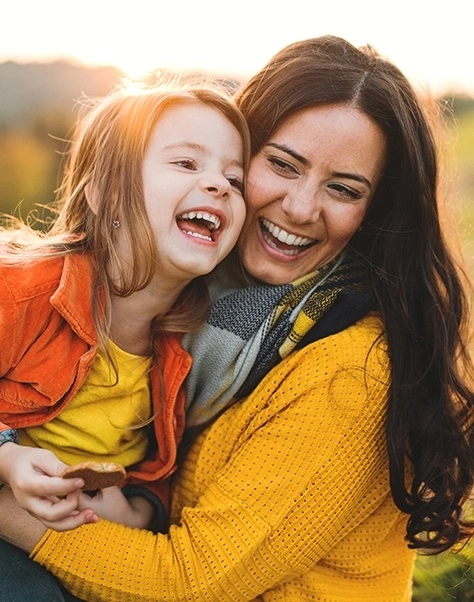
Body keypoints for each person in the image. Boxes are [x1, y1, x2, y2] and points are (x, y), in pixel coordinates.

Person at [0, 34, 473, 602]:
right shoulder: (193, 313)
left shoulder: (349, 372)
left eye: (343, 189)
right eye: (281, 164)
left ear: (376, 214)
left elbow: (190, 579)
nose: (300, 208)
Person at [0, 80, 249, 536]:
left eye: (236, 180)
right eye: (186, 162)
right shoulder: (21, 289)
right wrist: (7, 458)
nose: (219, 184)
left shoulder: (188, 345)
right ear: (104, 194)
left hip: (89, 538)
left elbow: (155, 472)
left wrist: (137, 512)